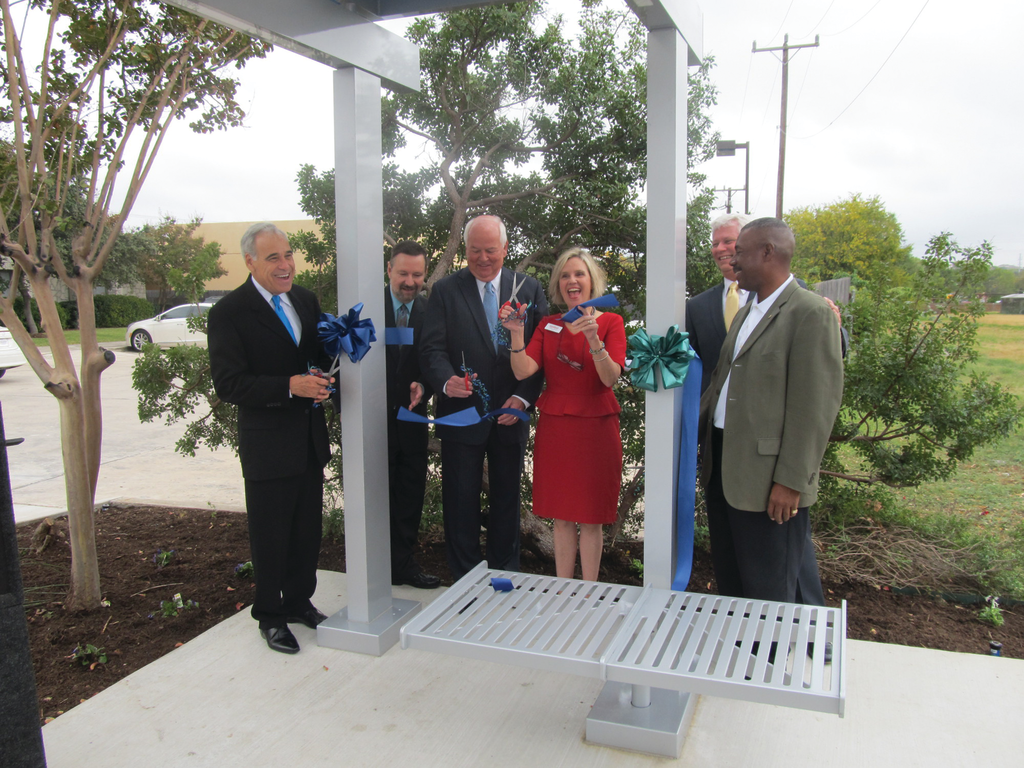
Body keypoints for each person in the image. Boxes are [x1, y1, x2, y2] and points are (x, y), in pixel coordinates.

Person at [687, 212, 846, 612]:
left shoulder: (810, 312)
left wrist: (791, 481)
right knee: (733, 576)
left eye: (740, 252)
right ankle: (741, 655)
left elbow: (815, 407)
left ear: (768, 252)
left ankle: (769, 661)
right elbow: (720, 385)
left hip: (770, 479)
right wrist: (691, 437)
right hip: (724, 465)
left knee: (769, 585)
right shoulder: (747, 311)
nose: (732, 261)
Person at [208, 222, 334, 655]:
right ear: (249, 262)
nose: (285, 265)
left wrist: (327, 368)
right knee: (271, 535)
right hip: (267, 446)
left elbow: (315, 357)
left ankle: (299, 602)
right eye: (273, 258)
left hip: (309, 442)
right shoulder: (228, 313)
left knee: (306, 532)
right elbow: (229, 384)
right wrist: (289, 386)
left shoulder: (305, 300)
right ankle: (270, 615)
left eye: (288, 255)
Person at [419, 215, 548, 580]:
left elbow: (541, 353)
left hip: (511, 415)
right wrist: (446, 383)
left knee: (507, 499)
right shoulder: (445, 290)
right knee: (460, 502)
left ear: (505, 250)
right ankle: (465, 580)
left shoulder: (529, 288)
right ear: (465, 250)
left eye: (490, 250)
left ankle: (506, 575)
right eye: (474, 250)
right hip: (461, 413)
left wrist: (523, 400)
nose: (483, 258)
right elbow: (431, 350)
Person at [501, 247, 626, 581]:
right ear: (559, 285)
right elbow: (523, 370)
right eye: (566, 276)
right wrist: (515, 333)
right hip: (557, 427)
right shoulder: (548, 324)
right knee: (562, 516)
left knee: (591, 517)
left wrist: (592, 338)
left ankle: (589, 591)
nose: (573, 281)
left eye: (579, 274)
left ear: (592, 281)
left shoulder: (612, 322)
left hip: (596, 427)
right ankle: (563, 590)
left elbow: (610, 377)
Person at [384, 240, 440, 589]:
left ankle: (403, 565)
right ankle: (372, 566)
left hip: (412, 424)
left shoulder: (429, 312)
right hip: (372, 426)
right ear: (389, 269)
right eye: (403, 273)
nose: (410, 281)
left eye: (417, 275)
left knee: (408, 498)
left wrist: (426, 385)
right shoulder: (364, 308)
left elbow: (434, 360)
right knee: (375, 499)